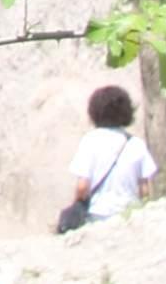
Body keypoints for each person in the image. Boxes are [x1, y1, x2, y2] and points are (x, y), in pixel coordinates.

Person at [59, 79, 159, 233]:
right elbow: (144, 190)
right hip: (129, 215)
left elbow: (82, 186)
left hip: (97, 215)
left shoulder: (90, 141)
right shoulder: (136, 144)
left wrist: (78, 205)